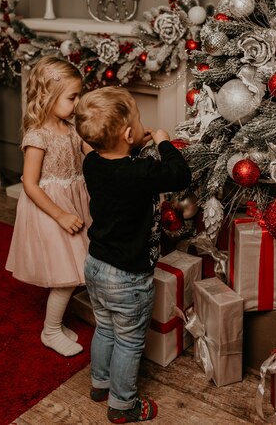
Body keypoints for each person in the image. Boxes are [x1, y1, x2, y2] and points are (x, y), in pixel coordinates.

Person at [75, 86, 192, 423]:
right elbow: (178, 175)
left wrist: (133, 141)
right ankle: (123, 405)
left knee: (105, 329)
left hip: (96, 265)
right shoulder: (140, 174)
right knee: (128, 340)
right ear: (128, 133)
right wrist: (162, 141)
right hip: (128, 276)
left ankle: (100, 384)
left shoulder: (92, 163)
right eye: (139, 121)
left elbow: (111, 153)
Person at [6, 56, 92, 357]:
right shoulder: (37, 136)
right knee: (67, 275)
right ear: (48, 96)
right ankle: (51, 330)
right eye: (72, 97)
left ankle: (56, 325)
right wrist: (59, 214)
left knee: (78, 267)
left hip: (74, 202)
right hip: (50, 210)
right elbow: (29, 185)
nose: (77, 102)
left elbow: (90, 151)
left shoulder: (70, 127)